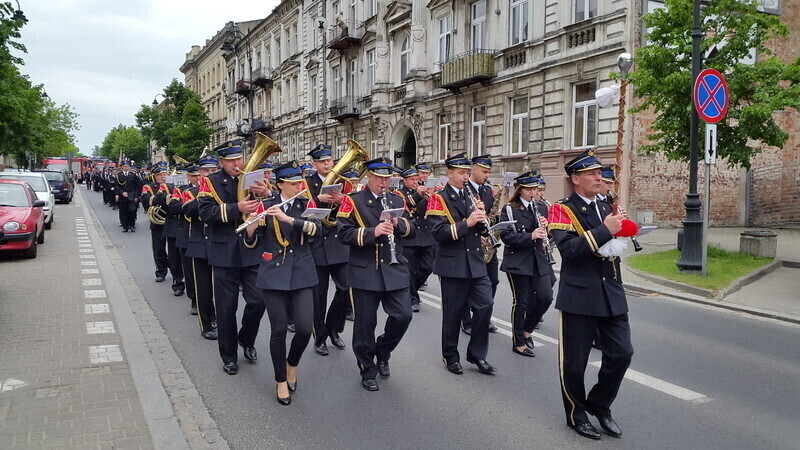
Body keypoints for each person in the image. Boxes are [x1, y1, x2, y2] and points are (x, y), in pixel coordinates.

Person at [547, 149, 633, 440]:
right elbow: (569, 251)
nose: (600, 177)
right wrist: (605, 230)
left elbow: (614, 240)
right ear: (576, 179)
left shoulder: (605, 204)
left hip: (610, 291)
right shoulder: (561, 208)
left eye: (600, 172)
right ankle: (576, 413)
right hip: (580, 295)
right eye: (592, 173)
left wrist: (624, 227)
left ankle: (599, 404)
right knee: (574, 361)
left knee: (622, 353)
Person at [244, 161, 320, 405]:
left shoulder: (306, 203)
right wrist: (252, 225)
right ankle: (279, 380)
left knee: (305, 328)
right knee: (278, 330)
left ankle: (292, 364)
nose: (299, 185)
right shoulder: (266, 205)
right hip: (273, 273)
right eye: (293, 183)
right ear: (280, 185)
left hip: (302, 271)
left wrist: (288, 219)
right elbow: (250, 243)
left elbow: (315, 229)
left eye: (300, 181)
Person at [337, 156, 416, 391]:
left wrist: (398, 224)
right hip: (365, 271)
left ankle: (383, 350)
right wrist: (373, 232)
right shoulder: (353, 201)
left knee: (404, 315)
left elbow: (412, 228)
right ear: (369, 177)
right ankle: (367, 368)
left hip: (394, 269)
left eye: (387, 178)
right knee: (365, 325)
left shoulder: (396, 198)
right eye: (380, 178)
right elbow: (343, 234)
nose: (385, 183)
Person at [198, 140, 266, 375]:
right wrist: (237, 207)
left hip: (251, 248)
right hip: (224, 251)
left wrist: (266, 195)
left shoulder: (253, 178)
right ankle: (229, 356)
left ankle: (246, 339)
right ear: (221, 162)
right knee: (226, 308)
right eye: (231, 160)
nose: (237, 164)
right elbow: (205, 213)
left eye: (239, 159)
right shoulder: (210, 182)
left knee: (258, 300)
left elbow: (268, 207)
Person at [426, 153, 496, 375]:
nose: (465, 177)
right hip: (452, 264)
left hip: (475, 262)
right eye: (461, 173)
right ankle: (450, 355)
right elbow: (438, 233)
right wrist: (468, 222)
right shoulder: (439, 197)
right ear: (449, 173)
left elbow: (478, 227)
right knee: (453, 314)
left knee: (485, 305)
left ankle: (477, 354)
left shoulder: (472, 196)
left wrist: (484, 226)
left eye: (467, 173)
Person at [498, 172, 555, 358]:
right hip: (518, 260)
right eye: (529, 189)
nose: (533, 193)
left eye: (535, 189)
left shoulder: (541, 208)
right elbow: (506, 236)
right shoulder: (509, 209)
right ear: (519, 189)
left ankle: (527, 329)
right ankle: (518, 342)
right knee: (520, 302)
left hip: (539, 259)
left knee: (546, 297)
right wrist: (530, 236)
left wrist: (547, 227)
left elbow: (548, 236)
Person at [305, 144, 349, 356]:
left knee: (345, 289)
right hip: (317, 244)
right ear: (314, 164)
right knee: (318, 295)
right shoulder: (307, 183)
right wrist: (317, 200)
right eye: (322, 161)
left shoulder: (342, 183)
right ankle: (319, 336)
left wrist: (343, 202)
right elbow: (302, 211)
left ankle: (334, 327)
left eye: (329, 160)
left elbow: (350, 212)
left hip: (338, 244)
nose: (327, 164)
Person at [182, 156, 219, 340]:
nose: (211, 174)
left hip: (220, 245)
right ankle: (206, 324)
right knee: (203, 288)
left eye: (214, 171)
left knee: (220, 287)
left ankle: (218, 318)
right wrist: (206, 194)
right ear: (199, 174)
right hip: (200, 244)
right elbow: (187, 210)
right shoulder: (192, 192)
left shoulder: (224, 190)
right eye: (207, 171)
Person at [462, 154, 499, 334]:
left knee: (493, 280)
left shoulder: (487, 191)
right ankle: (467, 320)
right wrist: (475, 234)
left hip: (487, 244)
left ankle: (483, 316)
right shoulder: (463, 188)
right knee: (467, 285)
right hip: (468, 243)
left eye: (489, 172)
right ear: (473, 169)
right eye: (484, 171)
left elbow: (487, 216)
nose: (487, 175)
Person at [393, 166, 432, 313]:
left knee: (428, 267)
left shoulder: (423, 191)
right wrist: (417, 195)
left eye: (417, 179)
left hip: (425, 235)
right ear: (405, 180)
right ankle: (413, 298)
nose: (416, 181)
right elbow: (405, 208)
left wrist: (433, 196)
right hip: (410, 235)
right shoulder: (399, 194)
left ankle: (412, 289)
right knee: (410, 269)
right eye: (412, 179)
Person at [169, 163, 199, 313]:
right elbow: (173, 207)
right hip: (187, 234)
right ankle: (194, 299)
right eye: (194, 176)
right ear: (188, 176)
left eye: (199, 174)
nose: (198, 178)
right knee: (190, 270)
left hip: (204, 236)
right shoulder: (180, 190)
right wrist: (189, 204)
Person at [140, 162, 172, 283]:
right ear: (154, 176)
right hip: (157, 222)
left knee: (174, 250)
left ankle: (175, 272)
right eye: (159, 174)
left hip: (172, 220)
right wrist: (162, 198)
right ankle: (160, 271)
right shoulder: (149, 187)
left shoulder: (173, 185)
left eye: (165, 174)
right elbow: (145, 200)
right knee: (158, 249)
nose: (163, 177)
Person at [114, 160, 140, 232]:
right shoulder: (118, 175)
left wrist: (136, 196)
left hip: (131, 196)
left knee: (132, 211)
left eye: (127, 166)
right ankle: (125, 226)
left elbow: (137, 186)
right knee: (123, 212)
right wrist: (120, 193)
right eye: (124, 166)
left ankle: (131, 225)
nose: (126, 168)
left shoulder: (133, 175)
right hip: (122, 196)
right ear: (122, 167)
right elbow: (116, 185)